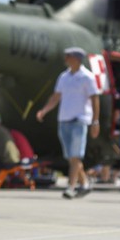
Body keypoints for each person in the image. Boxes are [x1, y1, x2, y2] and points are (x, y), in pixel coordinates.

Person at [36, 47, 100, 199]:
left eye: (68, 56)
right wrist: (44, 110)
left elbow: (95, 99)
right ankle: (85, 184)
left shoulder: (87, 77)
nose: (65, 59)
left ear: (77, 59)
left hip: (79, 120)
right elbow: (56, 96)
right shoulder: (63, 76)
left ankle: (71, 187)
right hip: (64, 120)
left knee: (75, 156)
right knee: (71, 157)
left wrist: (95, 121)